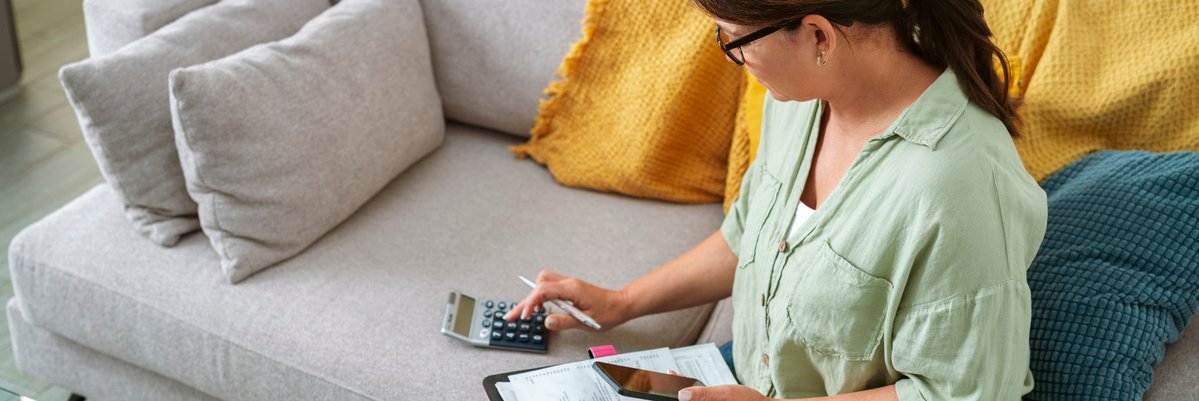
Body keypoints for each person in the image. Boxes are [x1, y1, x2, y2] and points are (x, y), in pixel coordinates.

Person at [505, 0, 1048, 399]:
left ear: (818, 35)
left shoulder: (958, 183)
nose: (733, 59)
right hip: (735, 376)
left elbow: (966, 393)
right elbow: (748, 239)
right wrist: (621, 302)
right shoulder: (798, 100)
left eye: (733, 40)